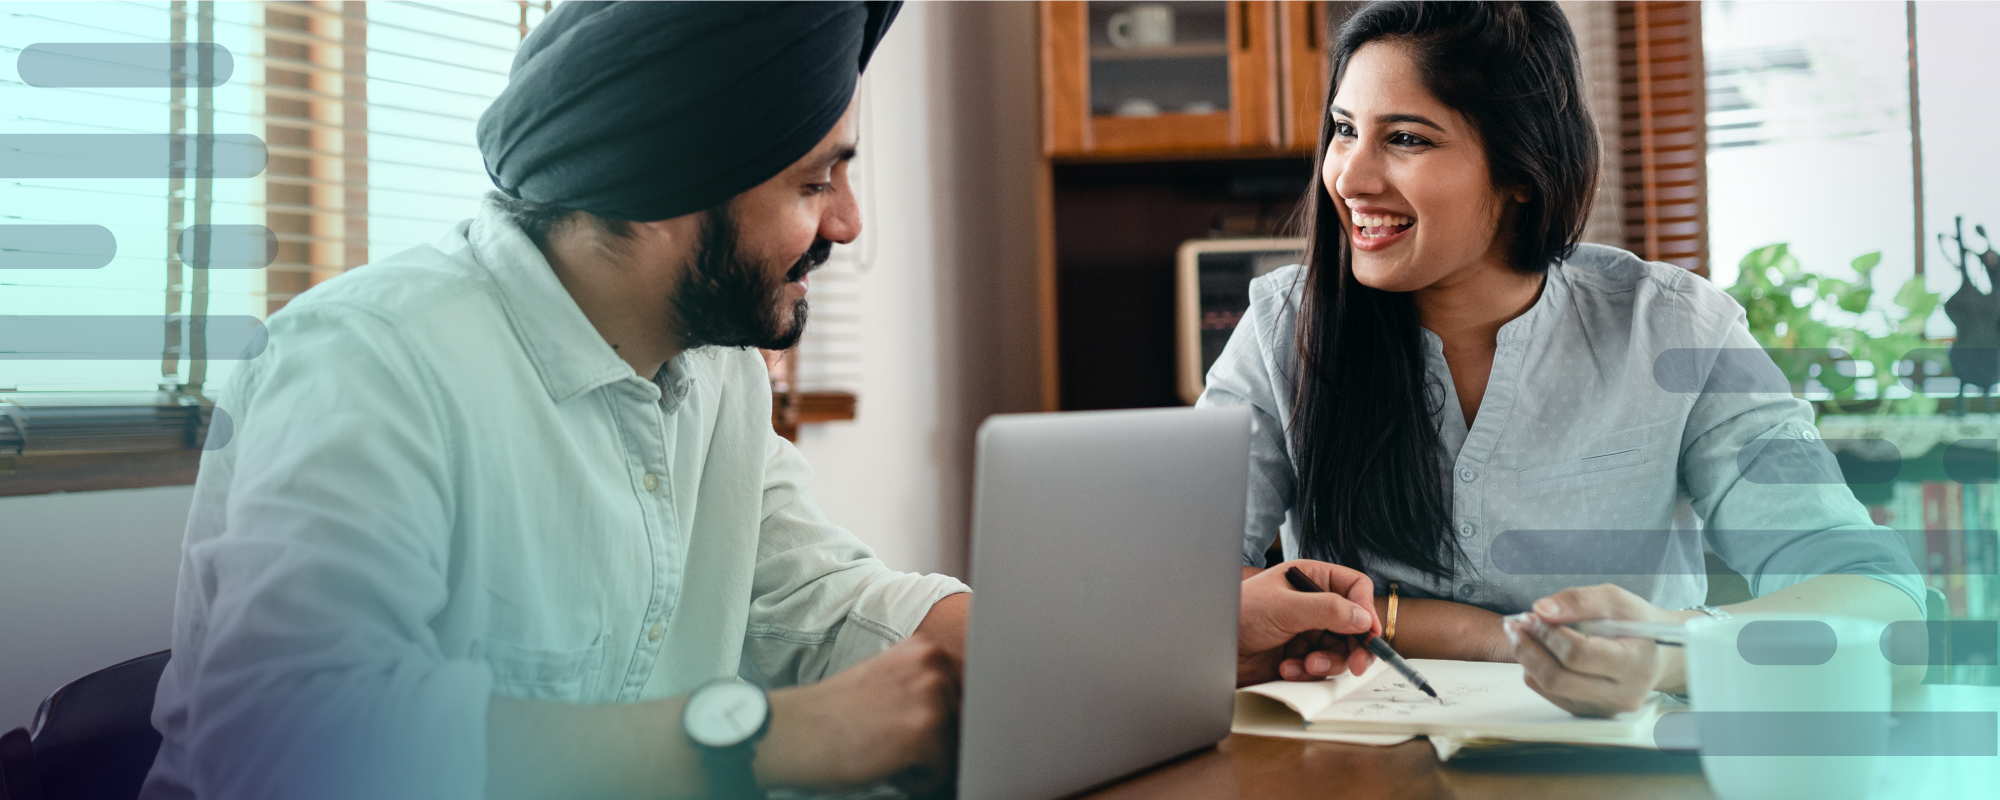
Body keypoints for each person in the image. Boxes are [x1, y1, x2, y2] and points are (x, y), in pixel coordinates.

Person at [142, 4, 1381, 799]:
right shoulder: (370, 359)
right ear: (672, 186)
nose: (847, 222)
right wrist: (764, 734)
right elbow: (291, 741)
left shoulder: (714, 367)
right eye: (816, 180)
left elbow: (817, 599)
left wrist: (1164, 629)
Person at [1198, 0, 1926, 717]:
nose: (1350, 178)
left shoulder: (1671, 327)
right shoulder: (1283, 327)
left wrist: (1671, 651)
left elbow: (1887, 617)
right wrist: (1483, 638)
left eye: (1408, 139)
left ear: (1522, 168)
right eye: (1346, 130)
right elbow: (1174, 591)